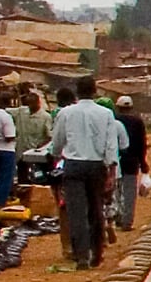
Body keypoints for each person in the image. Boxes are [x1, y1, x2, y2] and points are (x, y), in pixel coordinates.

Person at [49, 76, 125, 268]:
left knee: (76, 212)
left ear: (77, 91)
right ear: (94, 91)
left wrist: (57, 154)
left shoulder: (66, 113)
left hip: (73, 165)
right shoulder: (106, 114)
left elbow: (57, 141)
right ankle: (97, 253)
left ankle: (81, 255)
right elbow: (111, 144)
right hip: (96, 166)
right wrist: (111, 171)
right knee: (96, 209)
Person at [110, 93, 148, 233]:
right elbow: (142, 144)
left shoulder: (113, 120)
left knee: (116, 191)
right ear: (131, 108)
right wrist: (143, 162)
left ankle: (118, 217)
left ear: (118, 108)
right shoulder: (138, 122)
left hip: (116, 160)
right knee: (130, 192)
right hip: (132, 161)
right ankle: (127, 221)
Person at [11, 86, 55, 189]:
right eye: (28, 104)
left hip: (37, 154)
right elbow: (5, 110)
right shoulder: (21, 112)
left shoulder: (45, 117)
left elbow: (49, 136)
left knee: (38, 178)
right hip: (22, 152)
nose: (30, 107)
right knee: (22, 177)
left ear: (38, 103)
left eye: (32, 104)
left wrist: (40, 147)